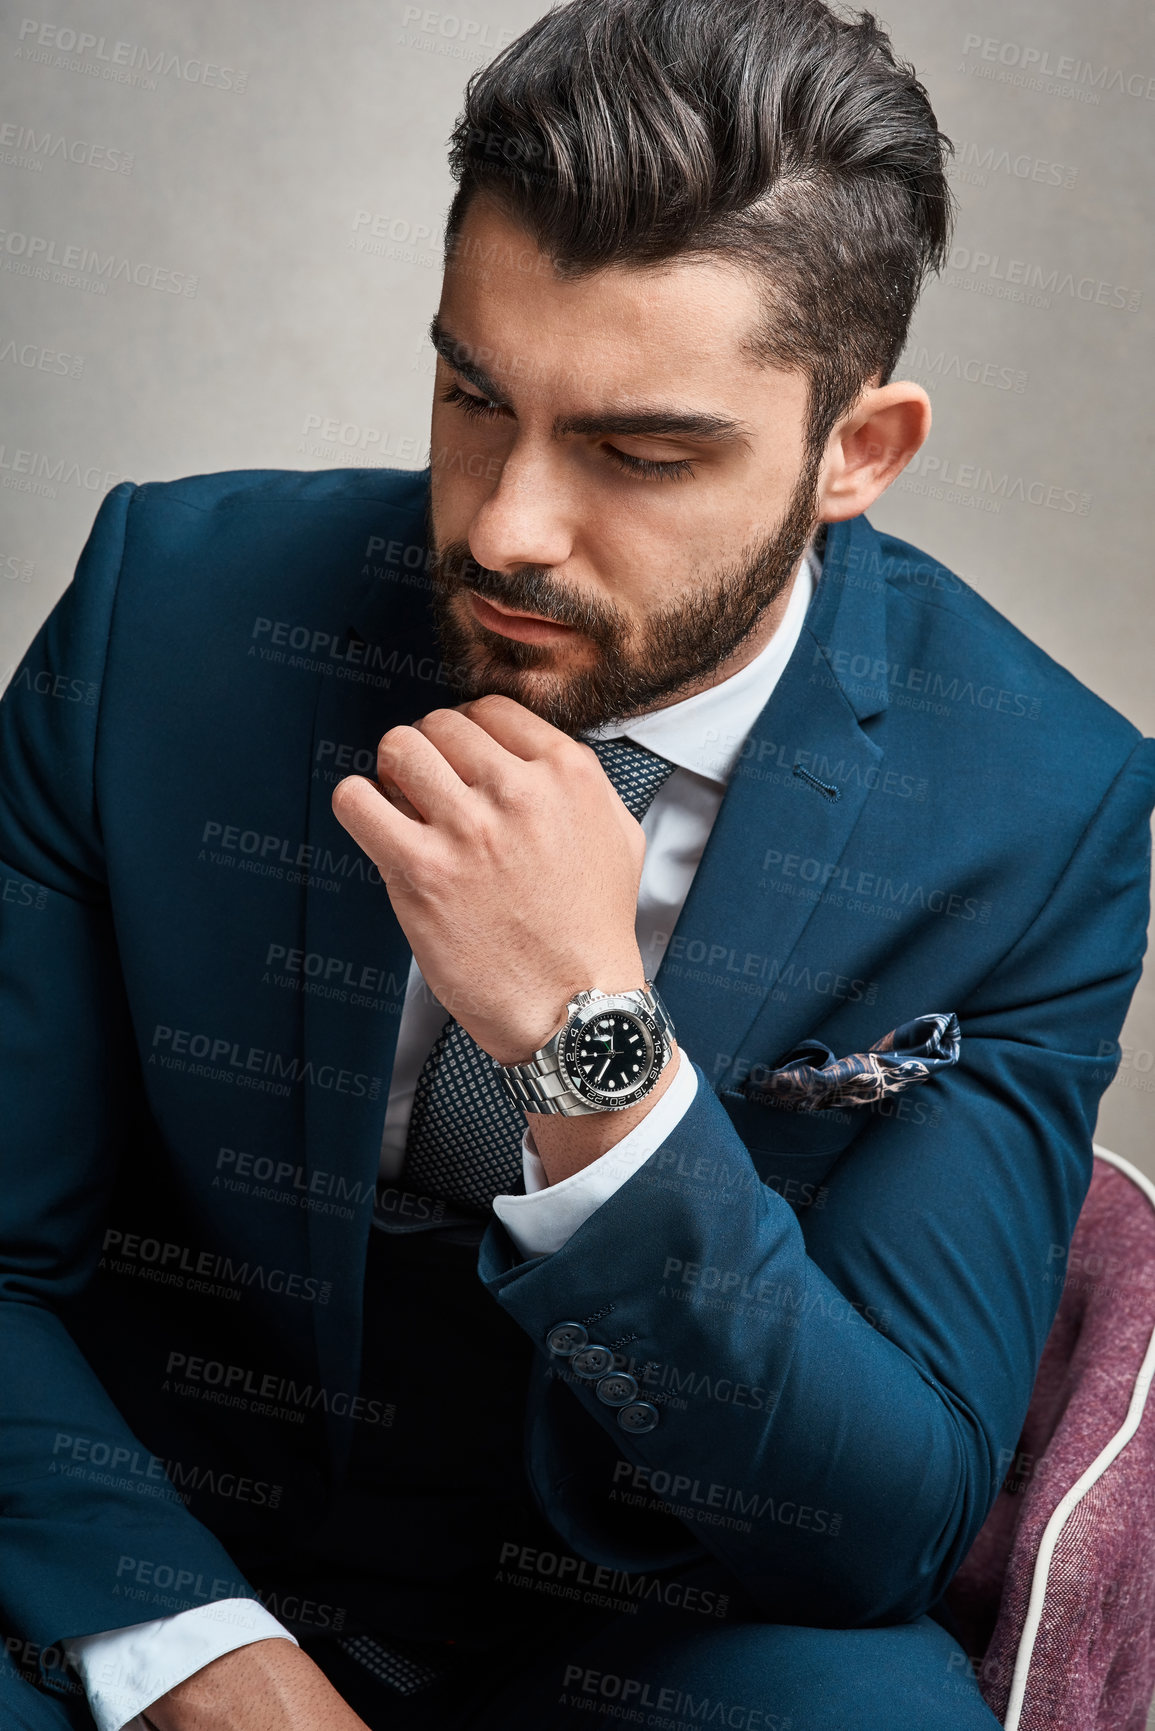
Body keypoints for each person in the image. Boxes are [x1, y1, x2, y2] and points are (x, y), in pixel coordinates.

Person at [2, 0, 1152, 1726]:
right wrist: (193, 1657)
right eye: (474, 396)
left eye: (639, 451)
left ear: (859, 452)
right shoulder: (168, 610)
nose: (505, 525)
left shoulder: (1039, 809)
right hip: (158, 1544)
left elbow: (881, 1526)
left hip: (643, 1632)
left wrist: (584, 1040)